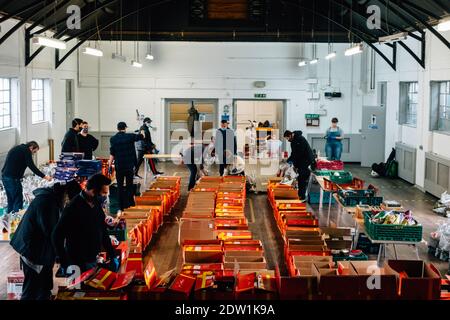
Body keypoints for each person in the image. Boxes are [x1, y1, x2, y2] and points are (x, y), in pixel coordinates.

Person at [10, 181, 81, 300]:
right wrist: (62, 256)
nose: (69, 204)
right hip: (32, 251)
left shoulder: (54, 200)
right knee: (32, 289)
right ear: (67, 195)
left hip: (42, 251)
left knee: (45, 286)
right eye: (70, 202)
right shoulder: (46, 203)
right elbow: (52, 233)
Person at [52, 174, 118, 273]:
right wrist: (64, 262)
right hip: (75, 264)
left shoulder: (96, 205)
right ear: (93, 191)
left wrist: (112, 255)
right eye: (104, 193)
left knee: (90, 288)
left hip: (92, 260)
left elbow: (103, 231)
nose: (105, 196)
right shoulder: (72, 208)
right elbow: (56, 236)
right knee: (77, 288)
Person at [1, 141, 52, 213]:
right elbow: (32, 166)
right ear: (31, 147)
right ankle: (17, 217)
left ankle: (10, 215)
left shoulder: (18, 148)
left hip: (5, 176)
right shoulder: (26, 151)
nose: (33, 154)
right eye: (34, 152)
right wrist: (45, 177)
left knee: (11, 198)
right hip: (12, 178)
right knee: (17, 198)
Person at [109, 122, 144, 212]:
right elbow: (142, 136)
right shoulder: (130, 136)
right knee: (129, 185)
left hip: (119, 165)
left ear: (118, 128)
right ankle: (130, 204)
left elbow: (112, 152)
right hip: (129, 165)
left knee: (120, 186)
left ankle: (121, 206)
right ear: (125, 128)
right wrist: (142, 130)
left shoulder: (113, 139)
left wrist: (110, 164)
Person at [283, 130, 315, 200]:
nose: (288, 140)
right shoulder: (293, 142)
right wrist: (288, 162)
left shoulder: (301, 139)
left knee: (301, 177)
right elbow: (293, 153)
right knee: (300, 177)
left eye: (287, 138)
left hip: (306, 160)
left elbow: (299, 154)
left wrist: (294, 164)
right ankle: (300, 194)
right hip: (301, 160)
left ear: (291, 135)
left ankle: (302, 196)